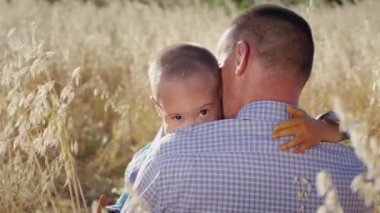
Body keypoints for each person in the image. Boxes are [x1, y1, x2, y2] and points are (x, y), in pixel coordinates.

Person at [122, 4, 368, 213]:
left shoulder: (171, 157)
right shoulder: (361, 175)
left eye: (221, 62)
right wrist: (330, 128)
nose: (216, 74)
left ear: (240, 57)